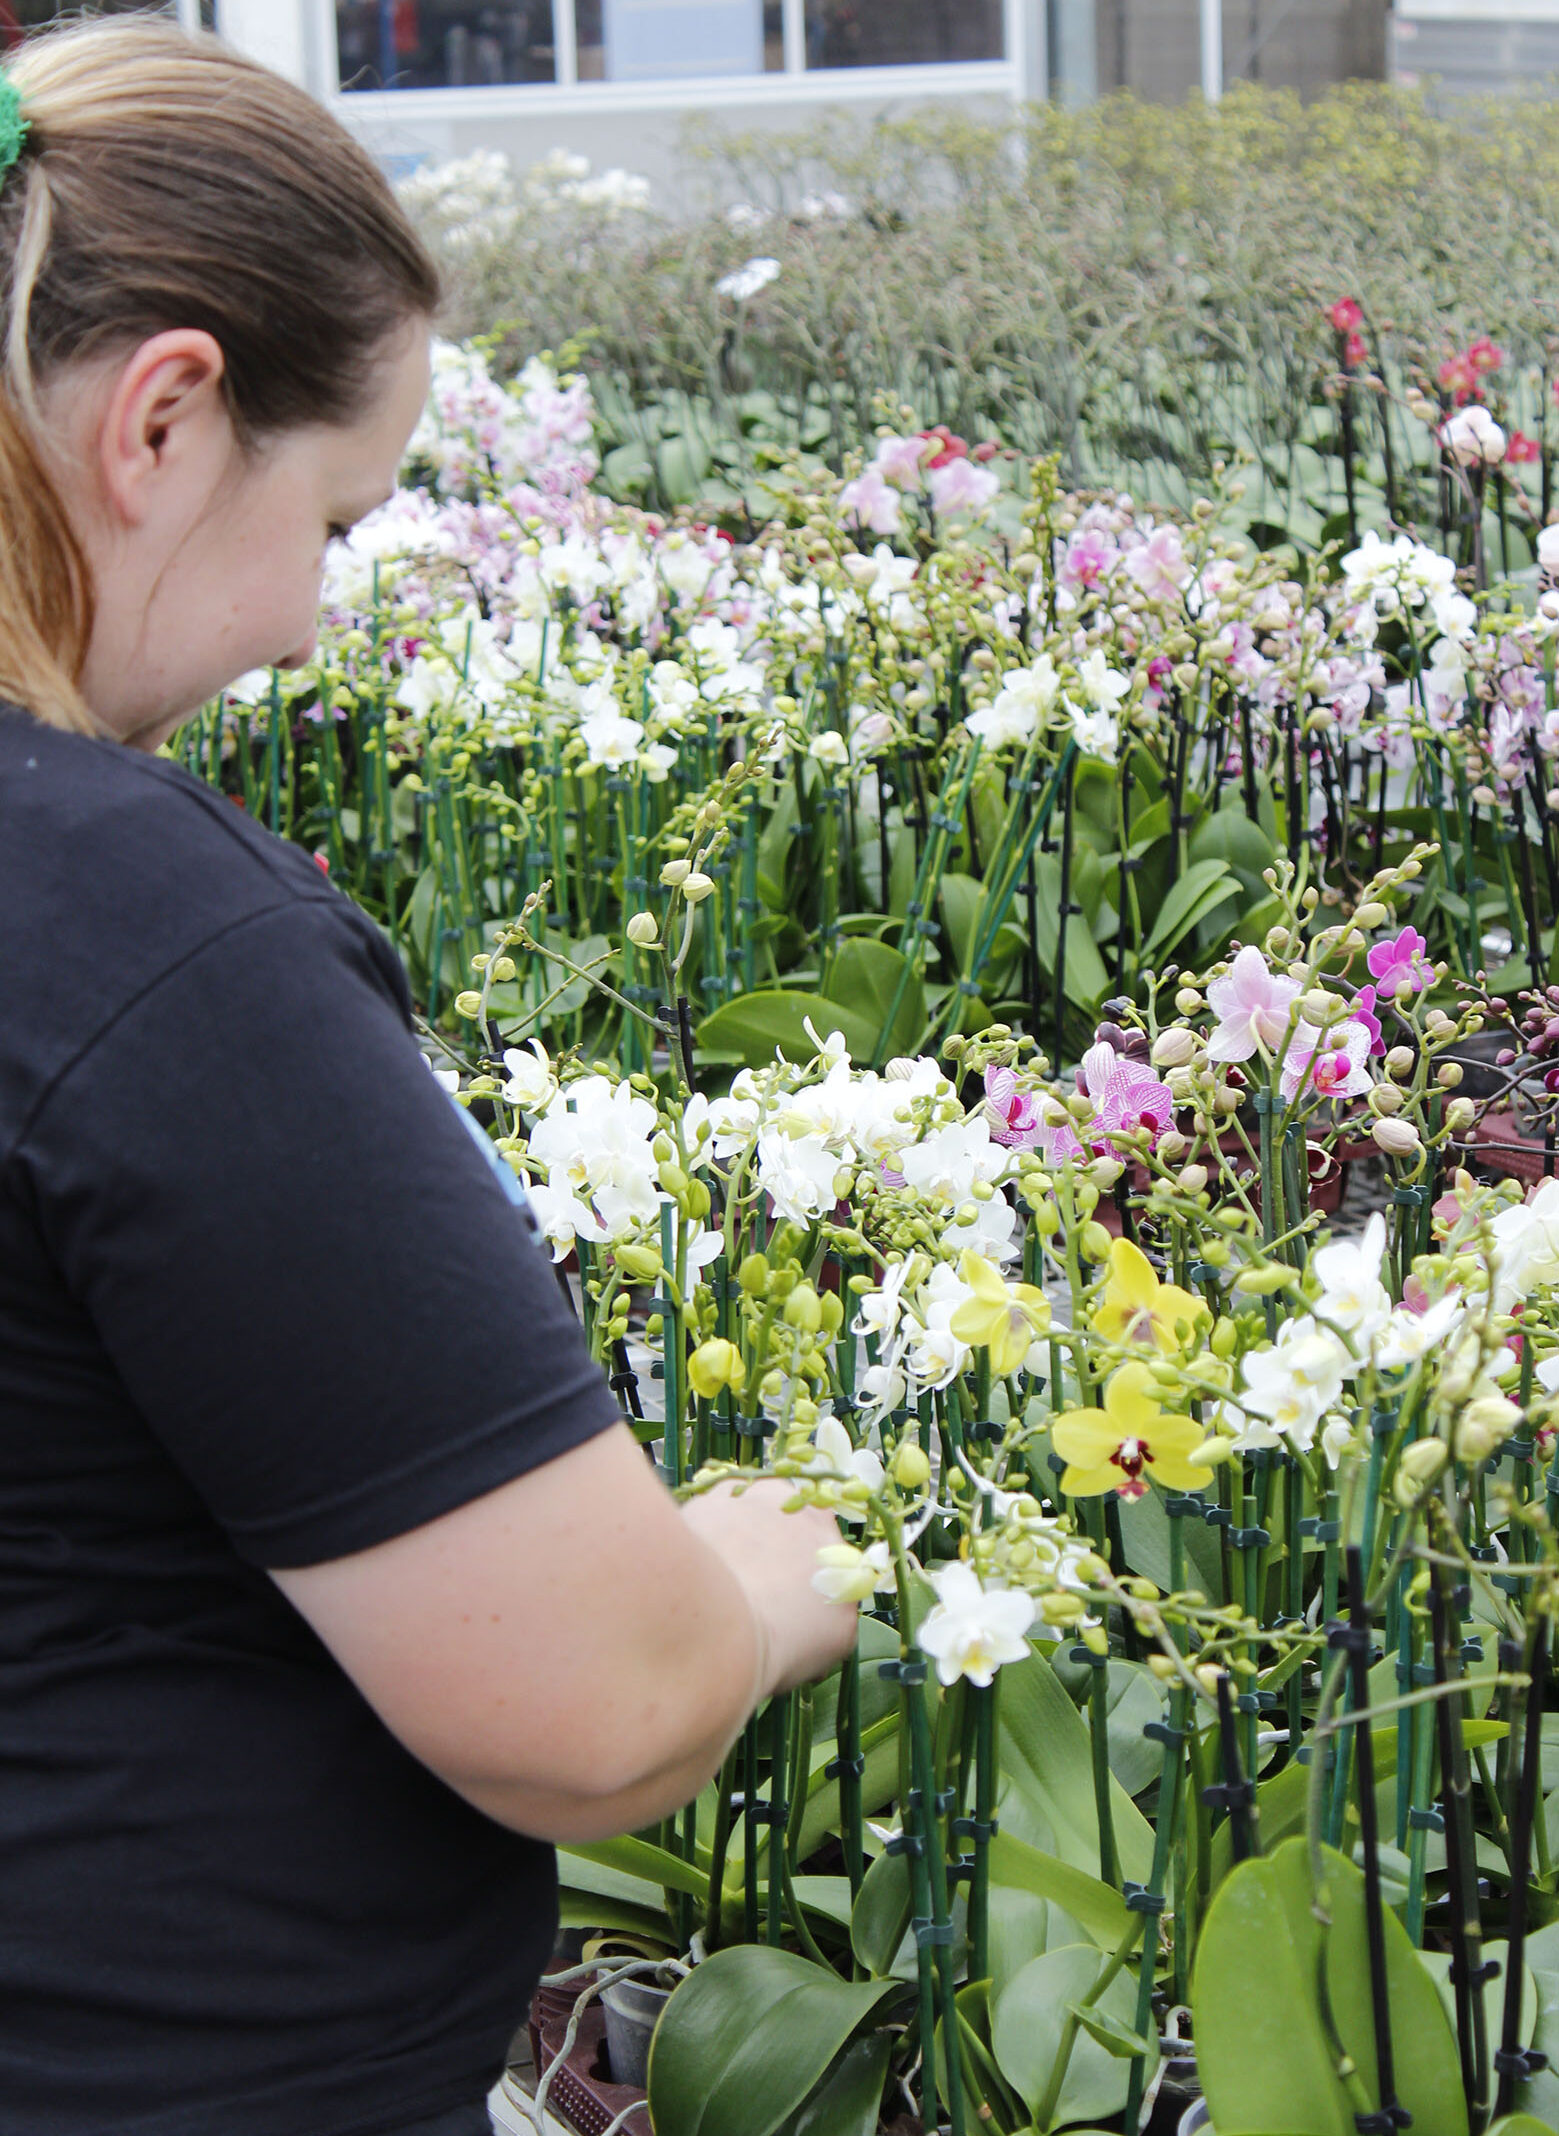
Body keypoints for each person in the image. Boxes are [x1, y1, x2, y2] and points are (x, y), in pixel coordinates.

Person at [0, 20, 858, 2136]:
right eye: (336, 516)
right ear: (165, 417)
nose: (308, 627)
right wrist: (776, 1572)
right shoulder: (128, 925)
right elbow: (596, 1711)